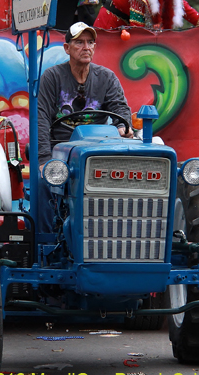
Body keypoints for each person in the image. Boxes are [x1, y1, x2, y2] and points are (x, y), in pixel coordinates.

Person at [36, 23, 133, 231]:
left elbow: (120, 108)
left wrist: (123, 126)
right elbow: (41, 118)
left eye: (90, 42)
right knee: (43, 182)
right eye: (79, 42)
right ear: (67, 48)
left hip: (98, 149)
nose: (86, 47)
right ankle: (44, 241)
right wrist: (44, 160)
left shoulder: (106, 77)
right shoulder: (52, 77)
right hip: (61, 151)